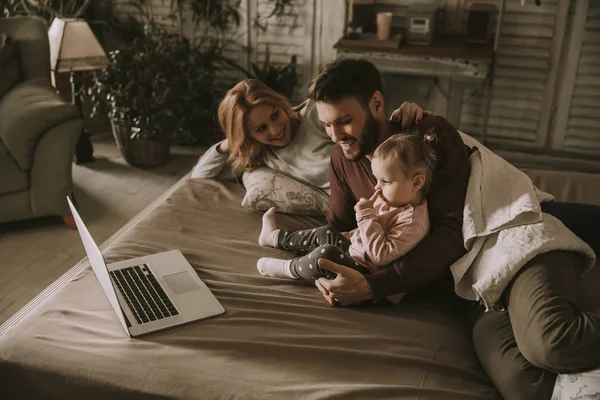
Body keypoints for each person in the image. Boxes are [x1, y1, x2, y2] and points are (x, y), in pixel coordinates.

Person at [305, 57, 600, 400]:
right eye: (326, 125)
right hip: (471, 288)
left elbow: (452, 234)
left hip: (509, 243)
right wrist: (328, 271)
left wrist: (373, 286)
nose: (335, 135)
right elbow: (340, 229)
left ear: (376, 104)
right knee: (523, 385)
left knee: (554, 344)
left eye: (344, 122)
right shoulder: (342, 160)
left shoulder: (426, 136)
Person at [256, 129, 436, 304]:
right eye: (377, 180)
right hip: (358, 254)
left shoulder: (413, 222)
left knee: (326, 253)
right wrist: (353, 235)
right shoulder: (392, 200)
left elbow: (380, 255)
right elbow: (369, 231)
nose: (377, 188)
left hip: (366, 274)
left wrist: (365, 216)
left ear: (417, 182)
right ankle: (276, 237)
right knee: (326, 232)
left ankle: (286, 269)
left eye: (386, 181)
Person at [190, 79, 427, 193]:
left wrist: (402, 112)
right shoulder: (264, 155)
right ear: (248, 136)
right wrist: (228, 144)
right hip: (375, 200)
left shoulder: (316, 114)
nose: (275, 130)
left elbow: (369, 124)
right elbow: (200, 177)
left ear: (280, 104)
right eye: (260, 129)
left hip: (402, 176)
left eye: (274, 115)